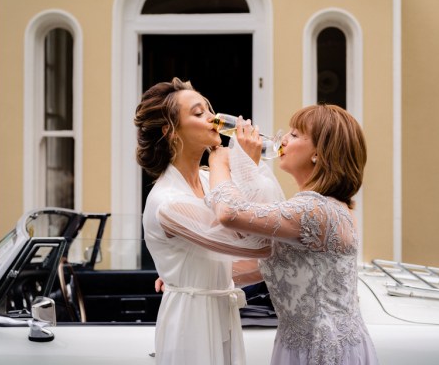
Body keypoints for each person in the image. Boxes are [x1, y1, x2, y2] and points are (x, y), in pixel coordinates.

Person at [206, 104, 380, 365]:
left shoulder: (315, 209)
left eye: (296, 135)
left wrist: (220, 161)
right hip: (300, 346)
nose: (283, 139)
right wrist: (194, 273)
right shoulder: (323, 206)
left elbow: (229, 213)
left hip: (322, 351)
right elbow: (269, 267)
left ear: (319, 154)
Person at [134, 77, 284, 365]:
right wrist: (231, 164)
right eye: (199, 113)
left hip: (221, 313)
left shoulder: (209, 180)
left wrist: (191, 272)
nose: (214, 119)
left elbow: (262, 245)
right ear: (170, 132)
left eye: (209, 109)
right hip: (191, 322)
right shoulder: (168, 202)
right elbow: (255, 244)